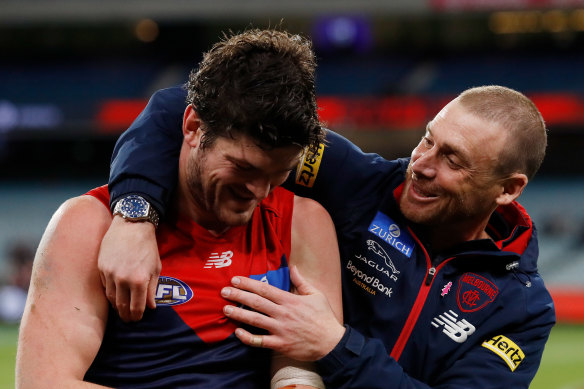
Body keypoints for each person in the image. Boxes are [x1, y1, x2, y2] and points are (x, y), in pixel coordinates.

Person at [99, 82, 556, 388]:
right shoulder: (354, 179)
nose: (421, 165)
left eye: (453, 160)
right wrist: (135, 214)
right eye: (427, 139)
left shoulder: (524, 310)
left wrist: (336, 347)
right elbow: (186, 106)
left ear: (508, 189)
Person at [15, 29, 343, 389]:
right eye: (244, 167)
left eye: (279, 173)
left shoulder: (304, 224)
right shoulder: (88, 226)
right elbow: (43, 382)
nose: (259, 191)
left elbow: (299, 365)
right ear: (193, 127)